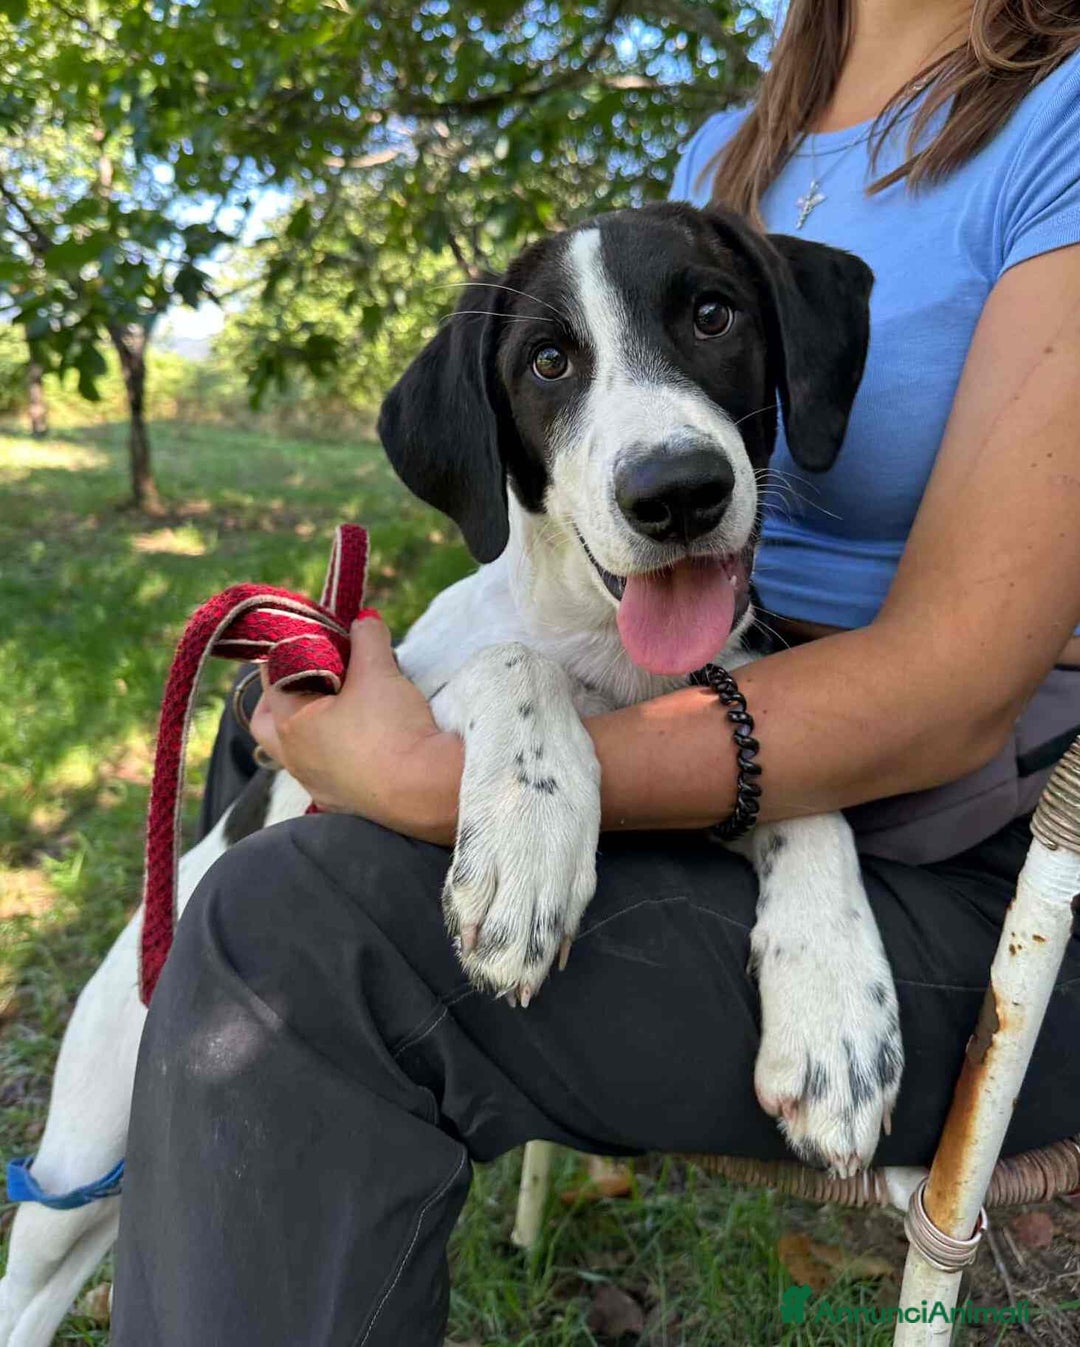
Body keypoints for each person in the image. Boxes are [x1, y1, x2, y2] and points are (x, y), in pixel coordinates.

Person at [112, 2, 1080, 1343]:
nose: (657, 419)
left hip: (997, 865)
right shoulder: (734, 154)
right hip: (724, 736)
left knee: (297, 940)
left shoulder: (1063, 119)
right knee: (248, 843)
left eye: (708, 323)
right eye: (559, 364)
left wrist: (439, 783)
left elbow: (952, 685)